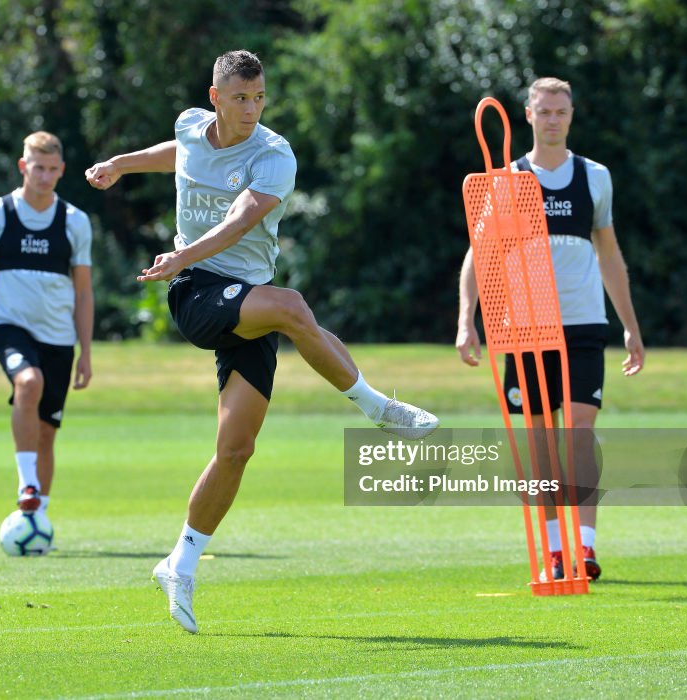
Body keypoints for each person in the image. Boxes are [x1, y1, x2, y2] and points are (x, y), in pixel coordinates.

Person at [86, 49, 438, 633]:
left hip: (239, 296)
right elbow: (178, 154)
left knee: (236, 450)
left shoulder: (274, 155)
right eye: (241, 99)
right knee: (293, 308)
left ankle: (179, 563)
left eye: (259, 98)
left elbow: (242, 222)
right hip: (197, 294)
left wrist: (177, 253)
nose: (251, 110)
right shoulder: (189, 126)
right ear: (215, 98)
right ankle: (379, 409)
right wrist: (121, 163)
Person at [456, 77, 645, 582]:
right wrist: (465, 320)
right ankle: (555, 549)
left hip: (584, 320)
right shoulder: (508, 179)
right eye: (544, 111)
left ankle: (584, 548)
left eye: (561, 111)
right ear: (529, 115)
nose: (553, 119)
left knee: (579, 432)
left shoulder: (595, 176)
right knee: (540, 439)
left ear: (572, 114)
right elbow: (481, 251)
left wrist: (630, 326)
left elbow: (608, 252)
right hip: (527, 322)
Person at [0, 131, 94, 518]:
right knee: (28, 381)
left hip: (58, 336)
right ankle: (27, 483)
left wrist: (85, 351)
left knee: (47, 432)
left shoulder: (75, 221)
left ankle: (35, 520)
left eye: (53, 170)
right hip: (8, 325)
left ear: (62, 170)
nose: (45, 177)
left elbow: (84, 293)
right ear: (23, 167)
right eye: (38, 168)